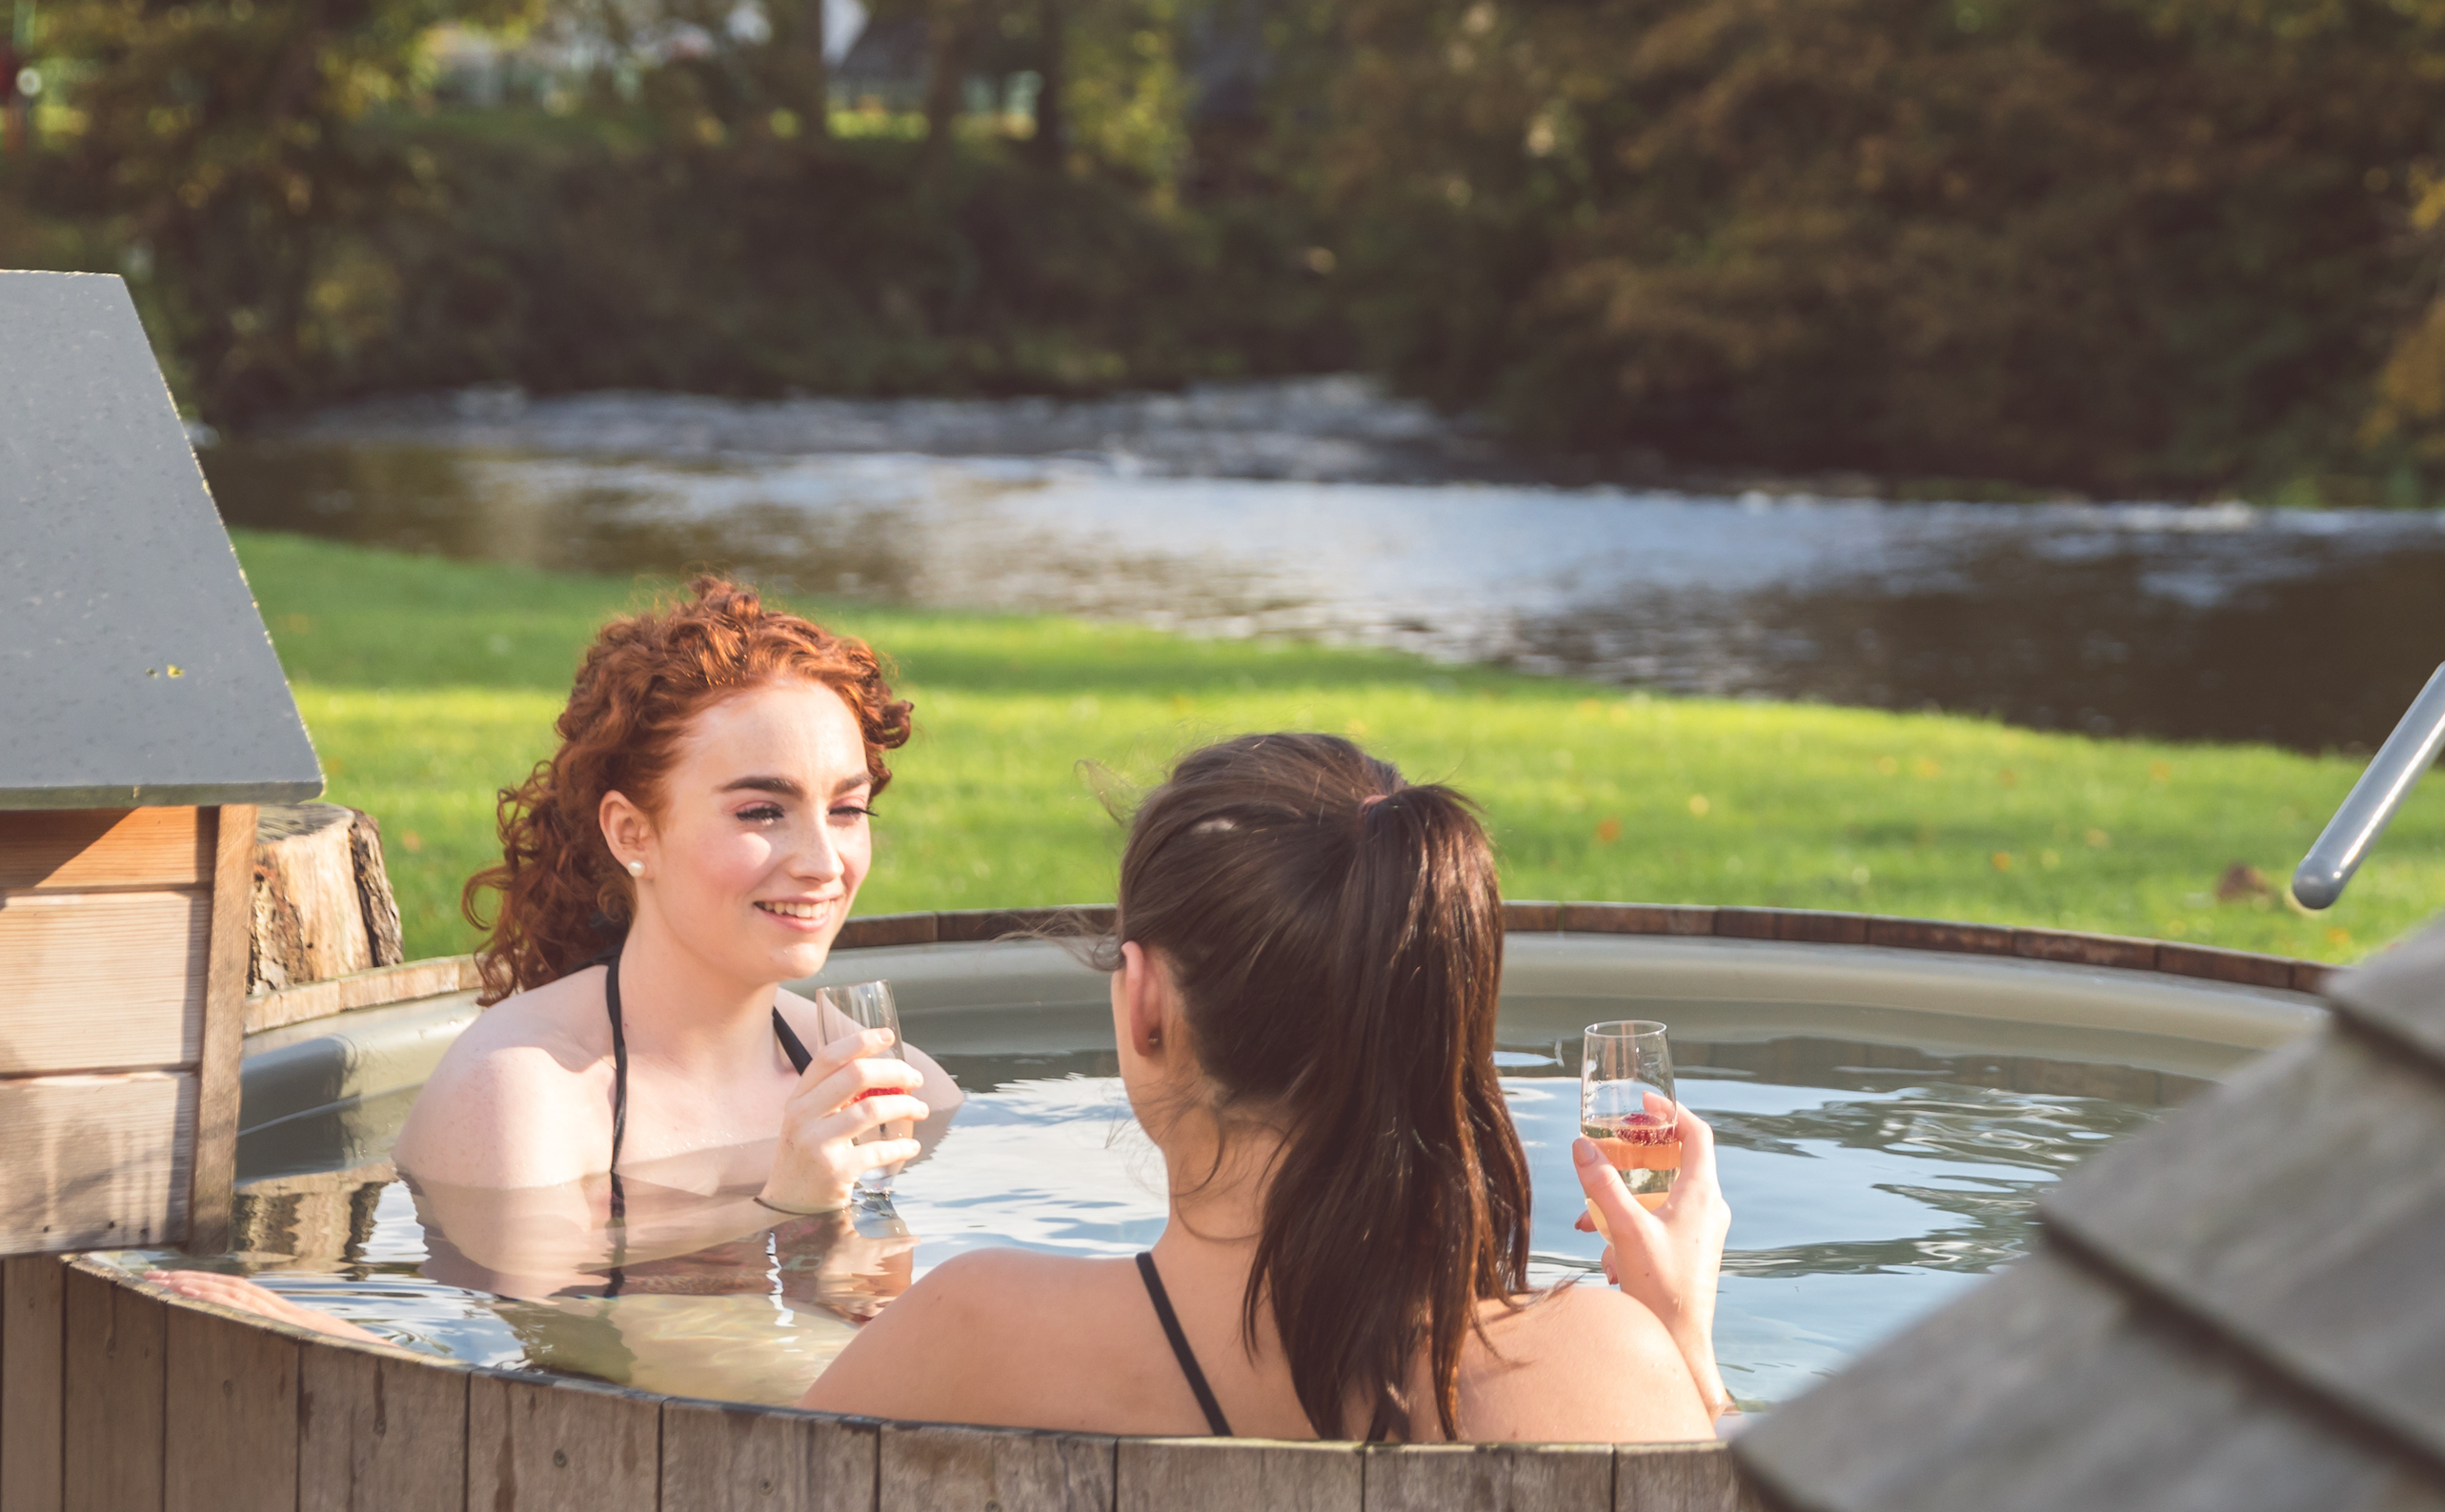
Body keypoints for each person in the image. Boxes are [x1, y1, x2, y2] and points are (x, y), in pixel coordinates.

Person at [808, 732, 1731, 1444]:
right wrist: (1689, 1353)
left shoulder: (973, 1335)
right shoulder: (1604, 1367)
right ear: (1441, 1018)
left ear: (1145, 1000)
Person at [387, 575, 959, 1291]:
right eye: (761, 812)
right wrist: (790, 1217)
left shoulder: (899, 1090)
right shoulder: (524, 1099)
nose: (822, 864)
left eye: (847, 810)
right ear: (634, 833)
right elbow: (545, 1369)